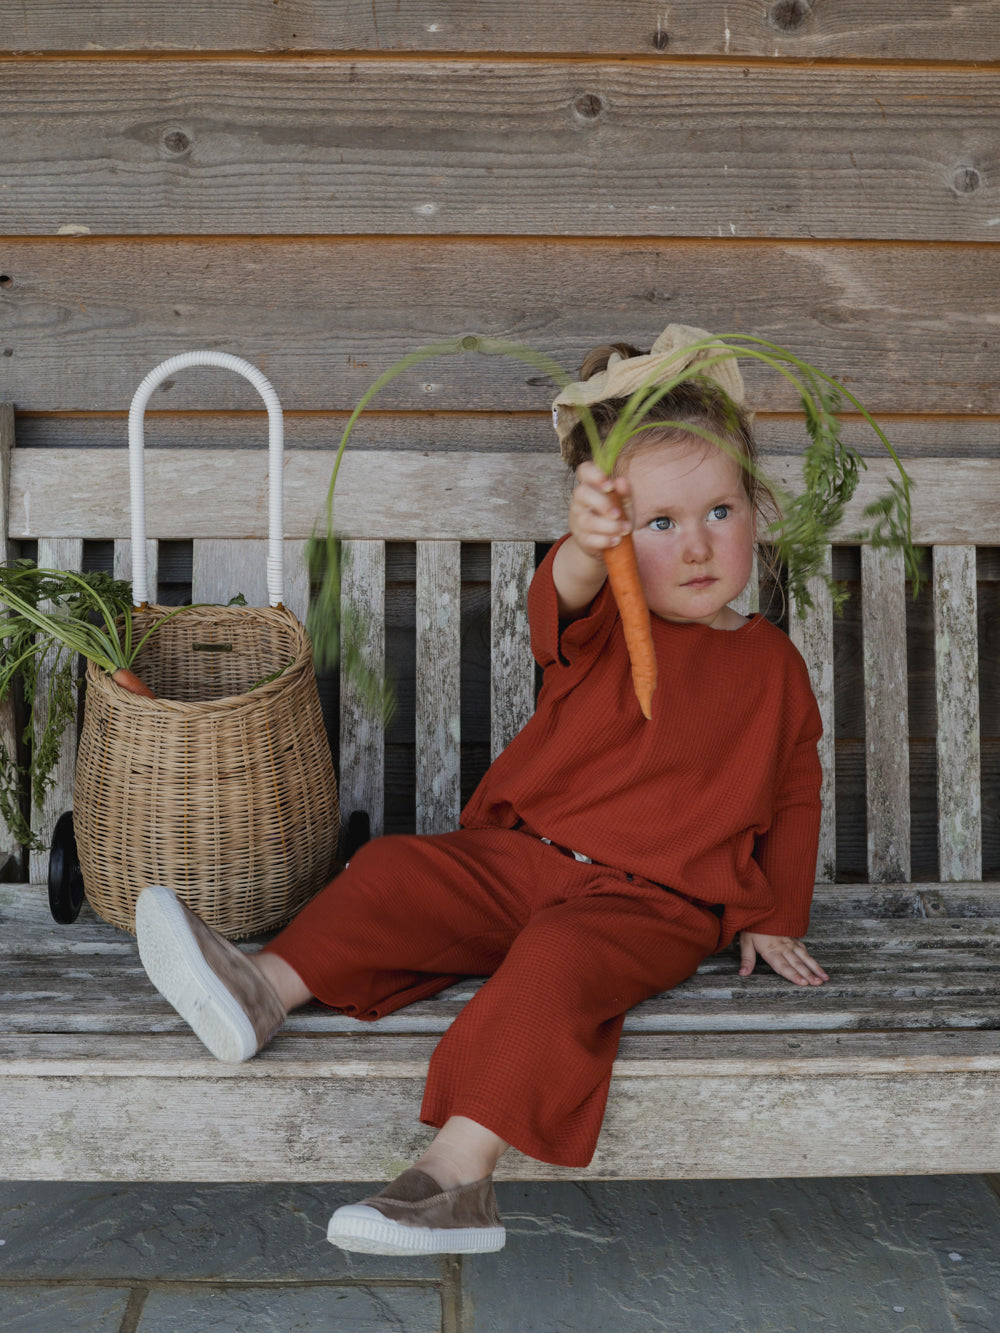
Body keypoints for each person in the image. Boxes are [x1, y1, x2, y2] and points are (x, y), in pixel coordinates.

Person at [134, 323, 828, 1259]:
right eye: (660, 524)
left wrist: (777, 912)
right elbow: (563, 596)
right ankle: (261, 987)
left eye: (719, 512)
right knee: (394, 873)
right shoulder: (609, 623)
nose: (697, 546)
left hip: (652, 903)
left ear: (756, 509)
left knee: (555, 962)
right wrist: (586, 546)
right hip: (526, 856)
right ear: (622, 535)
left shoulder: (775, 666)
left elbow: (794, 793)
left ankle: (456, 1178)